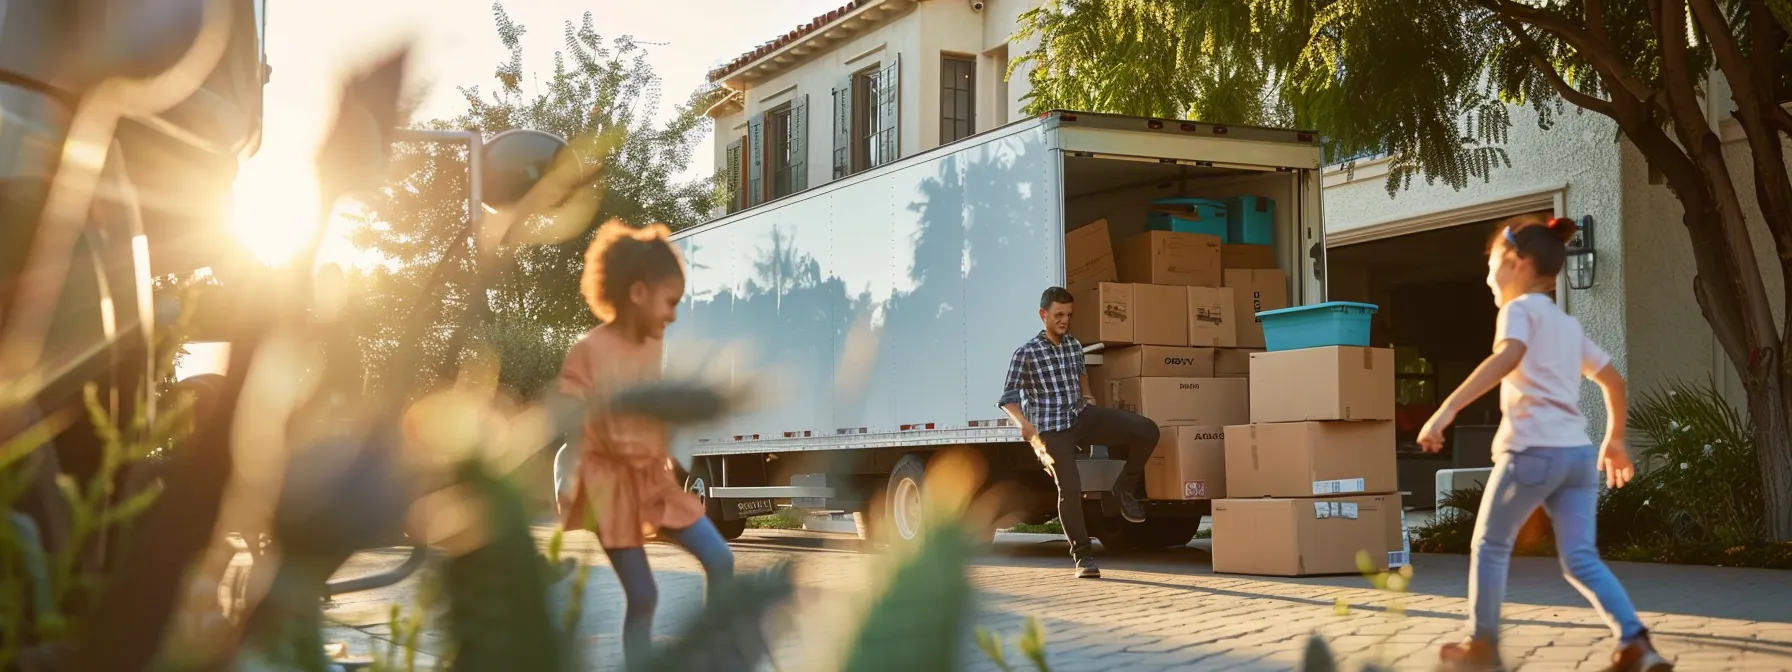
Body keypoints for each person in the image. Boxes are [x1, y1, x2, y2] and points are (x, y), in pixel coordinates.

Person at [1419, 217, 1670, 672]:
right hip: (1576, 457)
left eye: (1492, 263)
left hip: (1533, 450)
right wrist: (1613, 440)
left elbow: (1507, 357)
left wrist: (1446, 410)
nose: (1487, 275)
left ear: (1516, 263)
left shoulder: (1518, 311)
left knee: (1491, 546)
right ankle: (1636, 643)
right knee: (1580, 558)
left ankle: (1481, 645)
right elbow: (1613, 382)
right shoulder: (1566, 325)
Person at [549, 222, 734, 668]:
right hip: (608, 491)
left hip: (653, 484)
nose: (672, 315)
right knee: (644, 595)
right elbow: (566, 420)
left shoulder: (653, 342)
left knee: (721, 559)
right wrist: (567, 472)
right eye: (669, 302)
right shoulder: (588, 351)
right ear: (636, 293)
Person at [998, 286, 1161, 579]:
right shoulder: (1026, 353)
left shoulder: (1073, 345)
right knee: (1070, 489)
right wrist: (1024, 425)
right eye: (1059, 315)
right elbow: (1007, 399)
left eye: (1069, 315)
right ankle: (1084, 557)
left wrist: (1087, 396)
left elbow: (1081, 372)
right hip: (1051, 431)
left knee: (1146, 430)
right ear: (1043, 315)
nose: (1064, 320)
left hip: (1081, 418)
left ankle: (1123, 488)